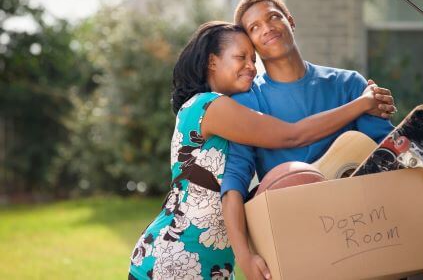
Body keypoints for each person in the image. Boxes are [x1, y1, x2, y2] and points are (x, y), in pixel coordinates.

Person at [128, 21, 395, 279]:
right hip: (174, 260)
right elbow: (292, 135)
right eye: (241, 57)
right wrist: (361, 103)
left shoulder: (214, 107)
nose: (251, 67)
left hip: (212, 263)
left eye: (253, 60)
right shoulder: (210, 106)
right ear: (212, 61)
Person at [219, 0, 399, 280]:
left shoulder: (349, 84)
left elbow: (390, 158)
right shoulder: (247, 103)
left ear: (290, 20)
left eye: (273, 16)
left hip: (364, 234)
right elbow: (234, 183)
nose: (266, 28)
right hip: (295, 239)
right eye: (254, 27)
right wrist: (245, 257)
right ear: (250, 44)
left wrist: (419, 237)